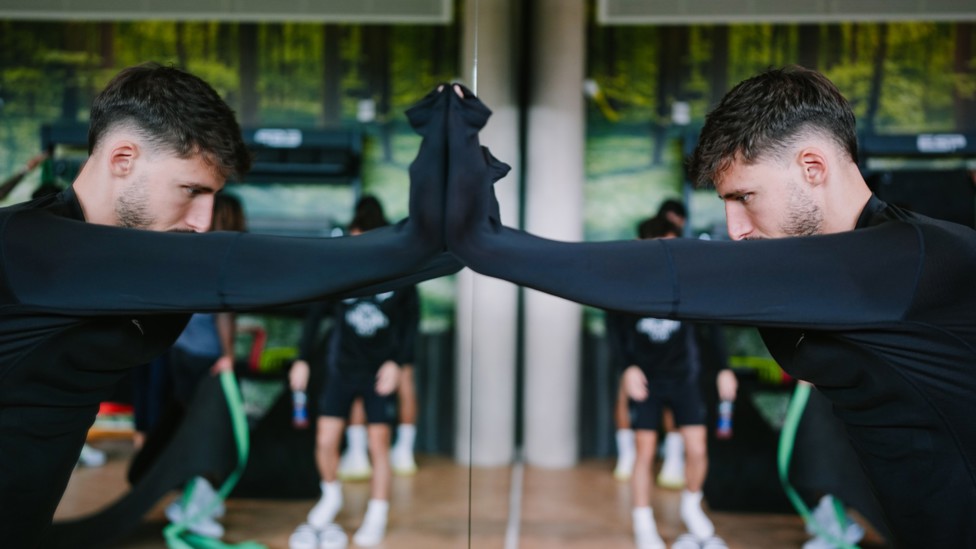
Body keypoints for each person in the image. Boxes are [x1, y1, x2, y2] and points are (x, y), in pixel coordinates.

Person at [441, 69, 976, 547]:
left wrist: (488, 244)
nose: (735, 230)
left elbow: (678, 272)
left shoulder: (910, 260)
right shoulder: (840, 269)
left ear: (813, 167)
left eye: (745, 197)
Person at [0, 63, 458, 548]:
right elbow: (237, 266)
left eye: (213, 197)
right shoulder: (28, 246)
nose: (202, 221)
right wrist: (425, 241)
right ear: (122, 159)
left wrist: (444, 245)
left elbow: (250, 276)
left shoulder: (133, 258)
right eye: (191, 191)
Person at [288, 195, 420, 548]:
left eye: (361, 233)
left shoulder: (400, 272)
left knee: (379, 445)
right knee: (325, 440)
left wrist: (396, 362)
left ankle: (377, 513)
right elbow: (316, 314)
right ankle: (330, 494)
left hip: (379, 372)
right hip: (341, 368)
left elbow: (410, 323)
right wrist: (301, 358)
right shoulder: (342, 271)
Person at [606, 215, 736, 548]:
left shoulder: (688, 282)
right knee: (644, 451)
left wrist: (723, 368)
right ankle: (643, 522)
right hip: (646, 380)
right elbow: (616, 329)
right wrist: (628, 367)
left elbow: (712, 325)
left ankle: (692, 505)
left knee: (697, 448)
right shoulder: (628, 284)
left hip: (684, 378)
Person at [160, 192, 248, 539]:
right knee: (207, 437)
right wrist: (228, 356)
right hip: (207, 361)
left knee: (196, 432)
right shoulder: (221, 259)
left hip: (185, 355)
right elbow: (224, 315)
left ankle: (198, 502)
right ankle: (197, 508)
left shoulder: (199, 253)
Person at [333, 196, 422, 481]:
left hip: (376, 335)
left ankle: (360, 454)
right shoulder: (393, 241)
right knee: (404, 384)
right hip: (395, 332)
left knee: (362, 388)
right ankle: (403, 451)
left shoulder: (356, 237)